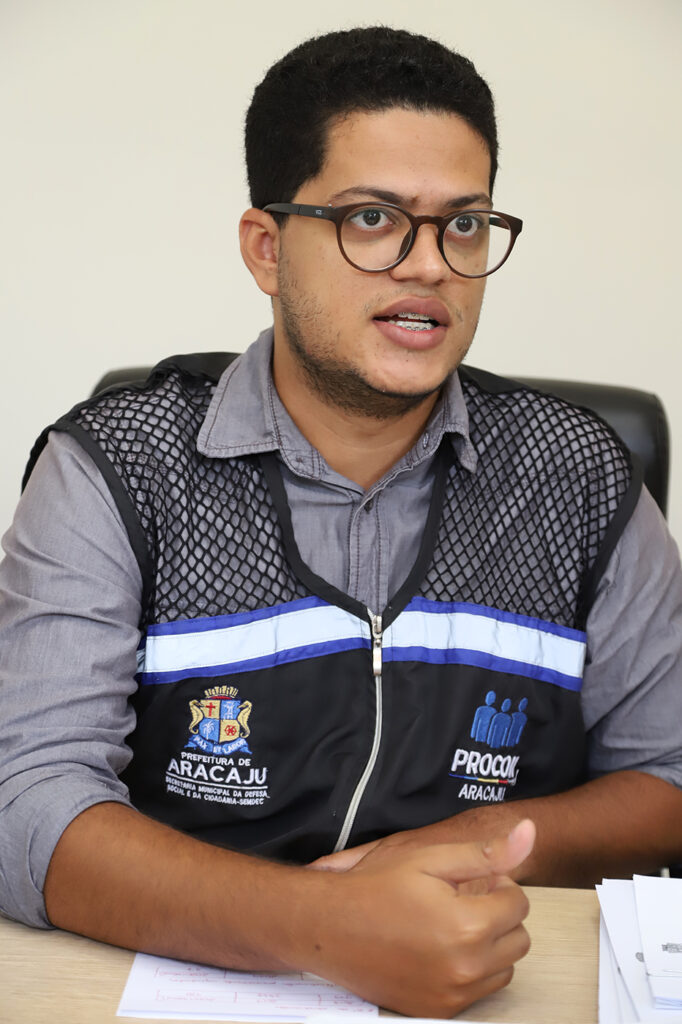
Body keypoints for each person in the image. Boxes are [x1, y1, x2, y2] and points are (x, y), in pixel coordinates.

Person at [1, 25, 682, 1017]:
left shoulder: (576, 477)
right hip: (185, 978)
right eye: (372, 218)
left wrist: (454, 849)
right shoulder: (118, 468)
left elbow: (667, 779)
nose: (429, 265)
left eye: (463, 224)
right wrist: (322, 924)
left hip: (498, 976)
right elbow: (27, 799)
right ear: (267, 248)